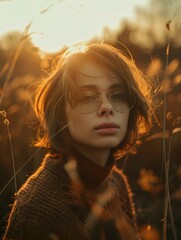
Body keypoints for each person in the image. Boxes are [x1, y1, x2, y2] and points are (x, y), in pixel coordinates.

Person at [3, 42, 154, 240]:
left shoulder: (116, 182)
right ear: (60, 114)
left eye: (117, 95)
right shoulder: (37, 212)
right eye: (88, 96)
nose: (107, 107)